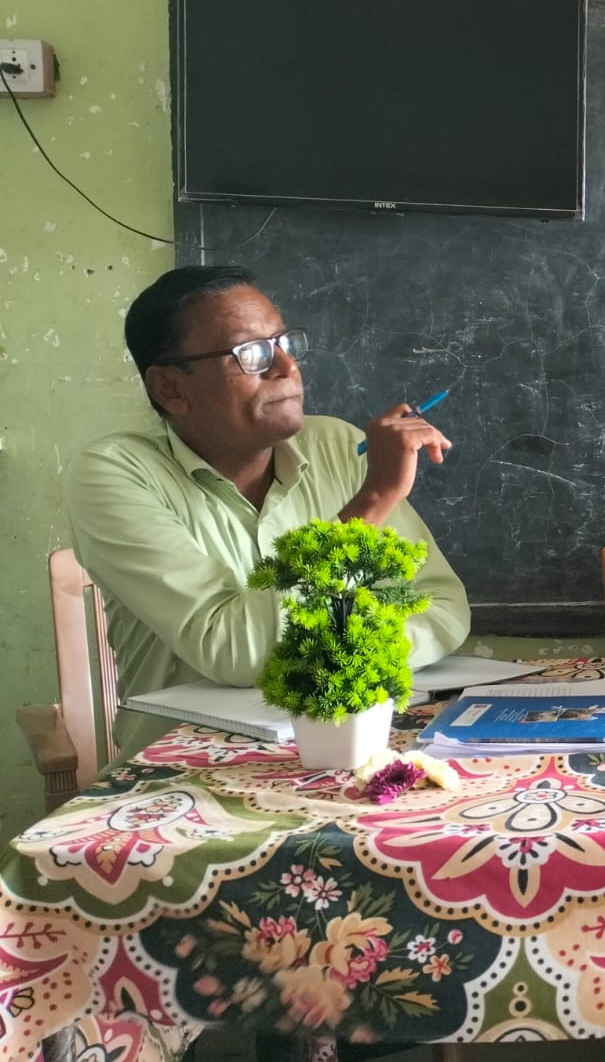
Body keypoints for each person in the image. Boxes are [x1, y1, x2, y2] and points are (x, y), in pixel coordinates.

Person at [64, 265, 471, 750]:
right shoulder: (114, 473)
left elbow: (442, 608)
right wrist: (373, 500)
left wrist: (335, 658)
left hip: (349, 750)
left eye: (285, 343)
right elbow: (234, 650)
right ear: (170, 388)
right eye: (251, 353)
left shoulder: (339, 447)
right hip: (185, 769)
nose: (287, 367)